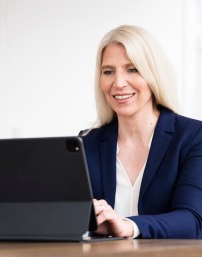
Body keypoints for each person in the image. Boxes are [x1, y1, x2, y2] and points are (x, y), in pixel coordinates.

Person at [80, 25, 202, 239]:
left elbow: (192, 220)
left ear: (153, 74)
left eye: (132, 69)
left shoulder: (192, 137)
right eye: (108, 72)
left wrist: (128, 226)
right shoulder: (86, 143)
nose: (118, 83)